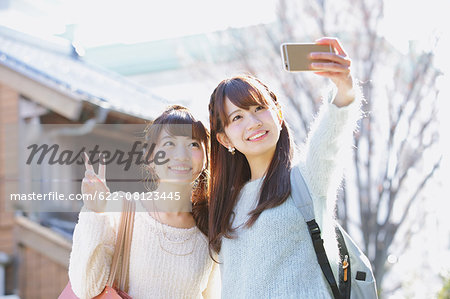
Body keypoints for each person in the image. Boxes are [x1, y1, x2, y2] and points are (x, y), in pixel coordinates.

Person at [208, 37, 362, 298]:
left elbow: (332, 135)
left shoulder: (306, 178)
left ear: (278, 114)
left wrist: (343, 87)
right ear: (223, 139)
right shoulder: (224, 204)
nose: (254, 122)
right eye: (237, 117)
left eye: (259, 108)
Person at [68, 105, 220, 299]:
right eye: (169, 144)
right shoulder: (122, 208)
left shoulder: (210, 228)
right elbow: (86, 289)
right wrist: (95, 213)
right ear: (150, 158)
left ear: (206, 158)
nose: (181, 155)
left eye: (193, 144)